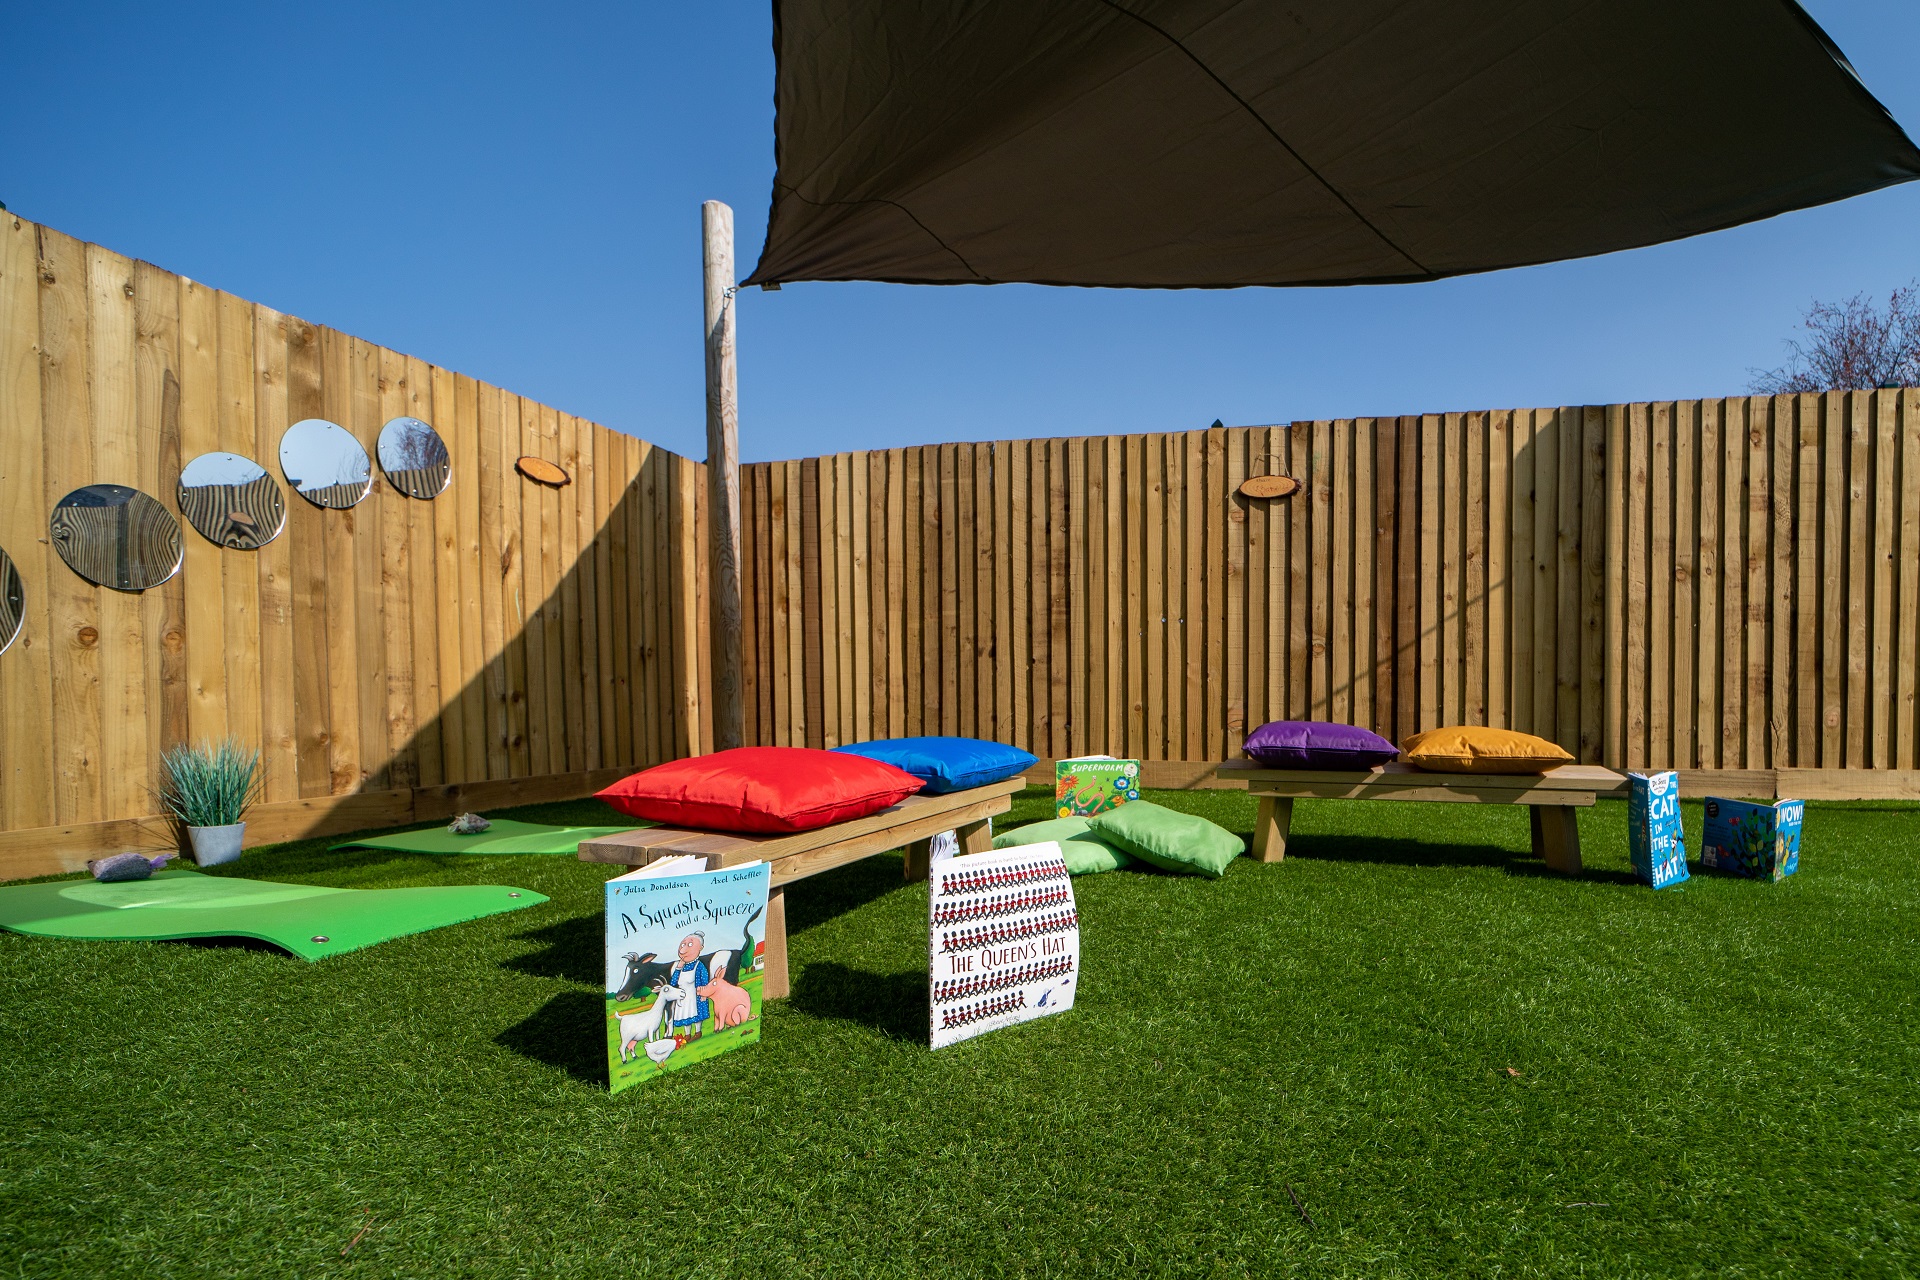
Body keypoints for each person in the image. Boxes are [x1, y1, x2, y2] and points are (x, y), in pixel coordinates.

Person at [668, 932, 711, 1041]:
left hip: (695, 995)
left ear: (700, 948)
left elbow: (704, 979)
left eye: (690, 945)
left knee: (696, 1014)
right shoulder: (680, 967)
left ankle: (698, 1031)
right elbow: (673, 983)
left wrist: (704, 992)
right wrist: (678, 969)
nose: (684, 949)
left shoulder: (699, 966)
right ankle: (687, 1034)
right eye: (683, 945)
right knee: (684, 1015)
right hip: (683, 997)